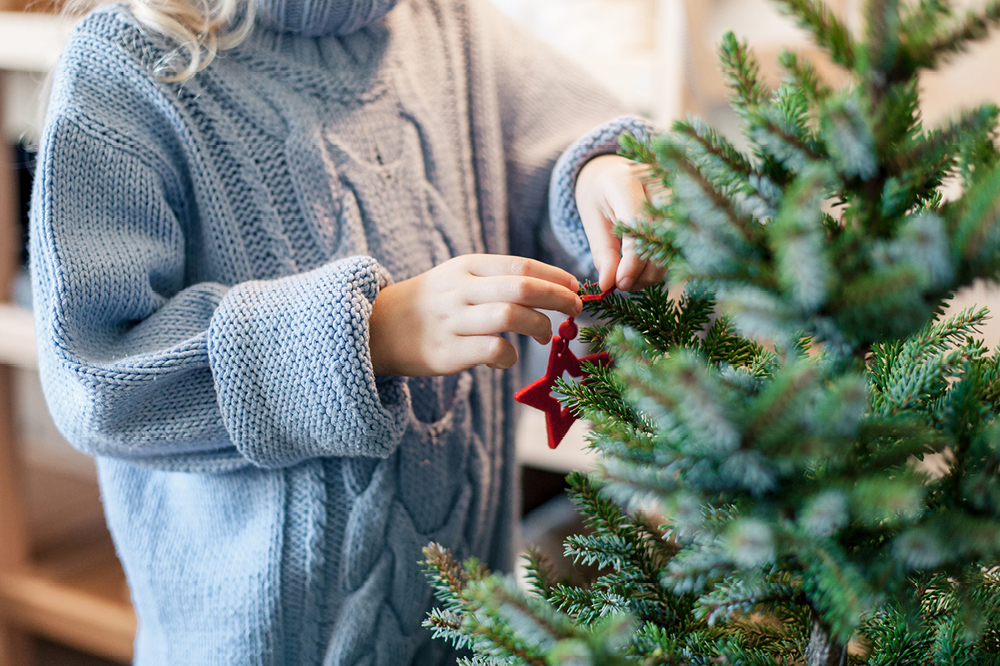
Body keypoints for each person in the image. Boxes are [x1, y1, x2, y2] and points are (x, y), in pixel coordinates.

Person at [30, 0, 664, 663]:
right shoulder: (125, 64)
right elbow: (99, 377)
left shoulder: (449, 27)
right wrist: (367, 335)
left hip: (471, 628)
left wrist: (600, 172)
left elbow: (570, 137)